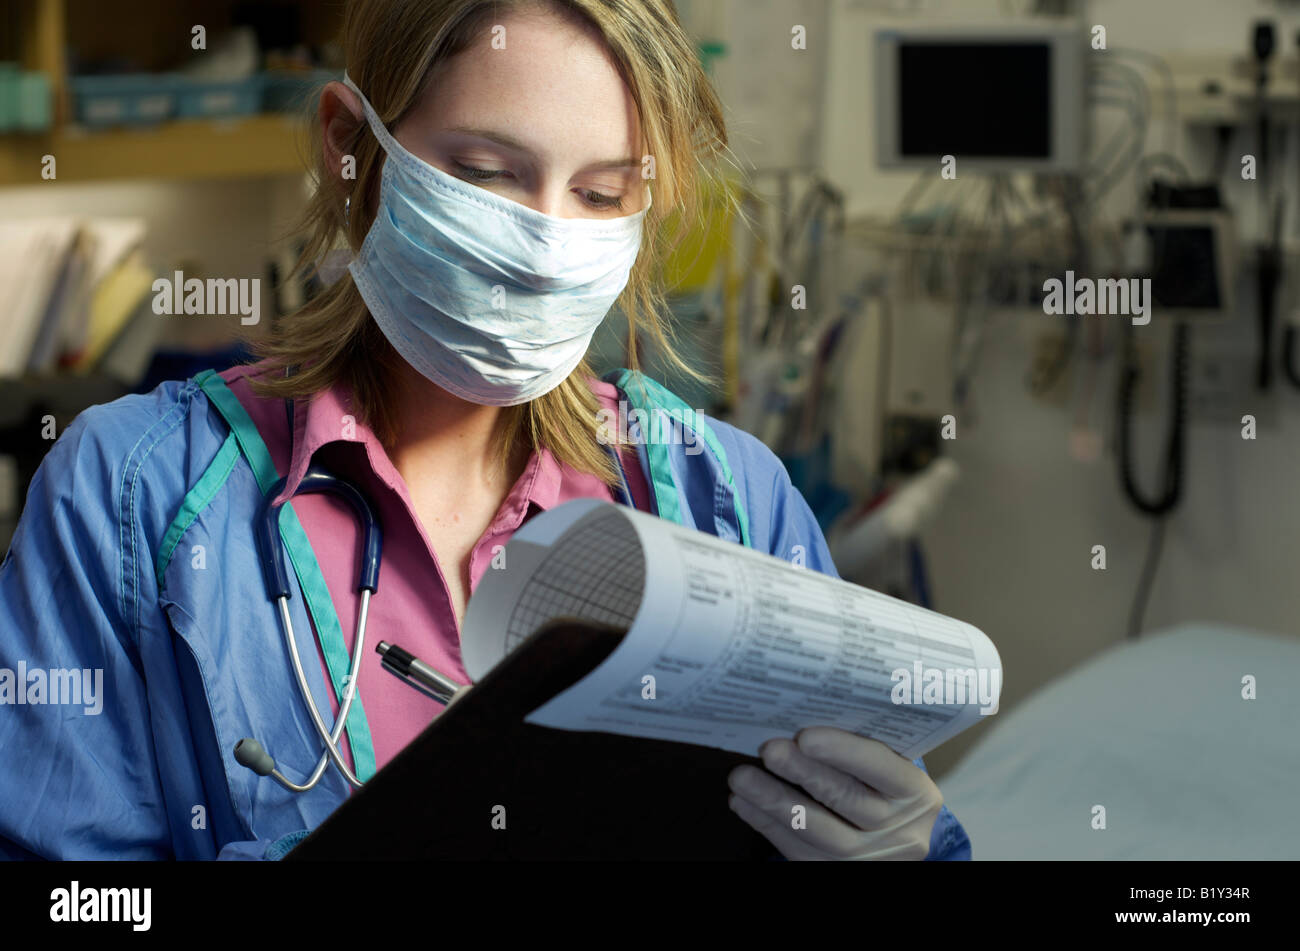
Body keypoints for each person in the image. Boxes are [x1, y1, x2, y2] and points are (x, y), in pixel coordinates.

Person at [0, 0, 970, 861]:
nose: (549, 244)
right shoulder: (131, 497)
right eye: (487, 172)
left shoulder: (724, 499)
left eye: (600, 194)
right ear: (352, 147)